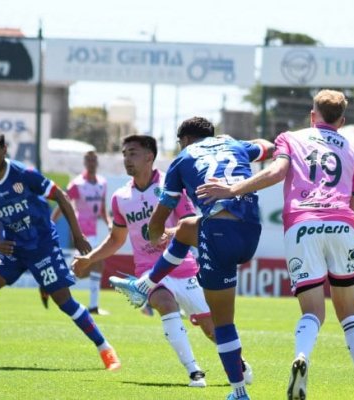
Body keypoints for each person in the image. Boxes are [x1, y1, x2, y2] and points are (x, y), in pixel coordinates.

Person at [196, 90, 354, 400]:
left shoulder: (291, 138)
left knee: (313, 312)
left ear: (312, 115)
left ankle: (302, 356)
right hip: (342, 223)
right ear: (342, 120)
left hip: (303, 224)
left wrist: (231, 190)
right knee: (349, 313)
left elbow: (277, 172)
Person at [109, 118, 274, 400]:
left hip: (219, 237)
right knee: (186, 230)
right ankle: (146, 285)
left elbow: (159, 219)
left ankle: (239, 392)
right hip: (251, 232)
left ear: (184, 140)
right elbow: (268, 147)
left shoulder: (183, 159)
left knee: (222, 325)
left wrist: (156, 233)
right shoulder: (233, 143)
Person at [0, 127, 120, 371]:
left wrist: (77, 234)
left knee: (64, 302)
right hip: (12, 247)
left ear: (4, 150)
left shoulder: (23, 173)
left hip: (42, 245)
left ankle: (106, 349)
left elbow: (61, 197)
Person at [73, 134, 228, 387]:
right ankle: (194, 371)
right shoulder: (120, 197)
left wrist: (169, 233)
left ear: (149, 156)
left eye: (132, 153)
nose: (127, 159)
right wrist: (89, 259)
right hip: (149, 271)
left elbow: (189, 225)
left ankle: (239, 364)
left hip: (182, 266)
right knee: (164, 303)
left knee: (211, 328)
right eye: (124, 154)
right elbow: (116, 239)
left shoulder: (172, 185)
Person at [50, 150, 113, 315]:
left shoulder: (102, 183)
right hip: (80, 232)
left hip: (95, 232)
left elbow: (102, 211)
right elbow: (62, 204)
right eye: (89, 161)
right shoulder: (77, 184)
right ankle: (90, 305)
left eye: (94, 160)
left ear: (96, 162)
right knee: (96, 263)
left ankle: (59, 284)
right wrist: (50, 223)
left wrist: (109, 223)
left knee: (91, 266)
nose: (92, 163)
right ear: (85, 163)